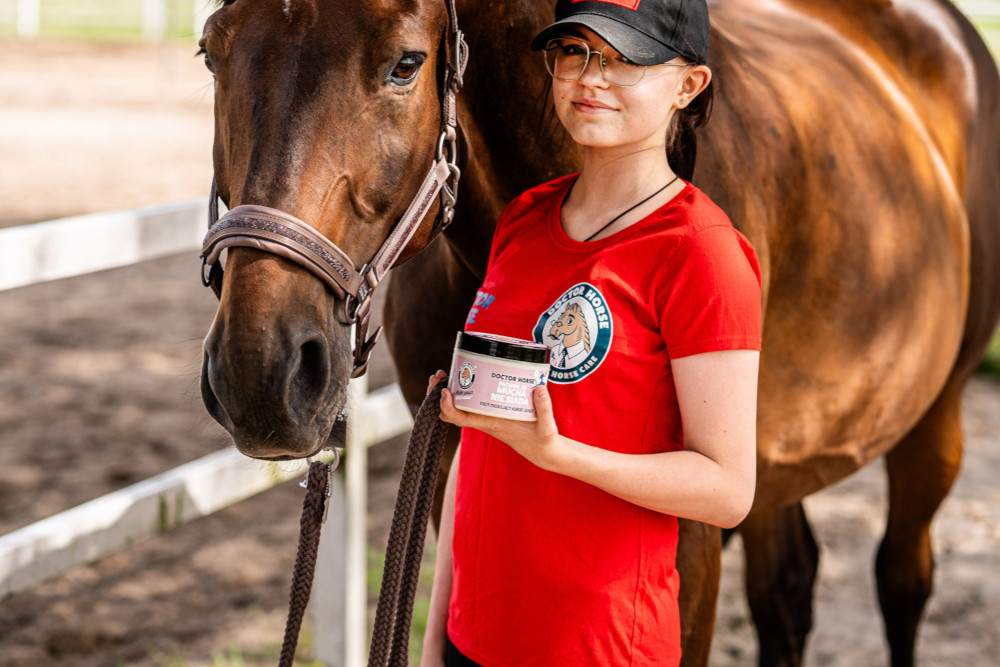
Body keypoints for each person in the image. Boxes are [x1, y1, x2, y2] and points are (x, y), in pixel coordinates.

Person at [421, 1, 762, 665]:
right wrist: (437, 641)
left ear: (688, 85)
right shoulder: (522, 221)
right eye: (574, 52)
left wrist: (561, 454)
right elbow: (478, 446)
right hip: (474, 639)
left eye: (625, 57)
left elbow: (727, 489)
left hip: (602, 649)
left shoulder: (702, 252)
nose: (590, 77)